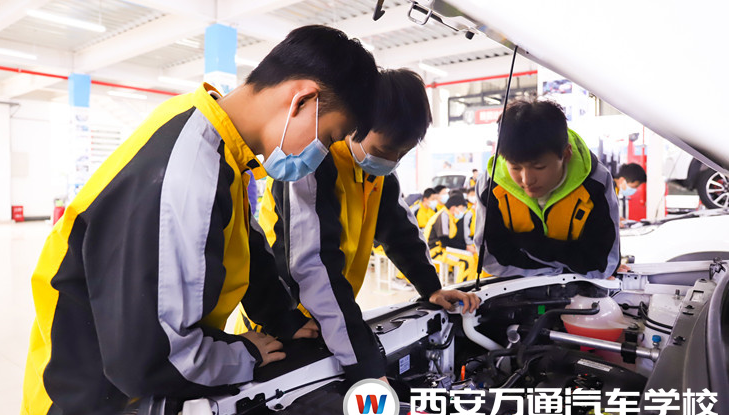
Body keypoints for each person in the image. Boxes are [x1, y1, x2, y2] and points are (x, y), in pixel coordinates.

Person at [18, 25, 380, 415]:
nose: (320, 156)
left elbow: (244, 248)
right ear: (302, 100)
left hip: (134, 400)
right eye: (329, 138)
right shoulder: (188, 171)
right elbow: (150, 359)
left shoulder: (213, 140)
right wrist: (241, 355)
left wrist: (283, 319)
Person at [239, 69, 479, 382]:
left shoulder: (378, 173)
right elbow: (314, 266)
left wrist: (431, 288)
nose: (391, 161)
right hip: (285, 324)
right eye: (383, 151)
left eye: (402, 154)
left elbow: (400, 233)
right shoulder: (312, 166)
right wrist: (365, 363)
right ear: (355, 124)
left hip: (335, 319)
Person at [473, 99, 620, 279]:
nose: (527, 180)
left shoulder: (595, 181)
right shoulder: (490, 185)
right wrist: (568, 256)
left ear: (566, 154)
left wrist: (524, 243)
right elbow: (492, 258)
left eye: (539, 167)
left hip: (578, 290)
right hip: (511, 287)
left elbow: (601, 262)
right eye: (515, 167)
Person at [424, 194, 477, 281]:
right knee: (467, 261)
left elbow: (451, 239)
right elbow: (445, 241)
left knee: (472, 257)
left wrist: (466, 247)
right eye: (461, 208)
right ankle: (463, 288)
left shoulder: (449, 216)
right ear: (453, 208)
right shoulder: (443, 216)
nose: (463, 211)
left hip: (443, 249)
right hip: (435, 251)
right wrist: (465, 247)